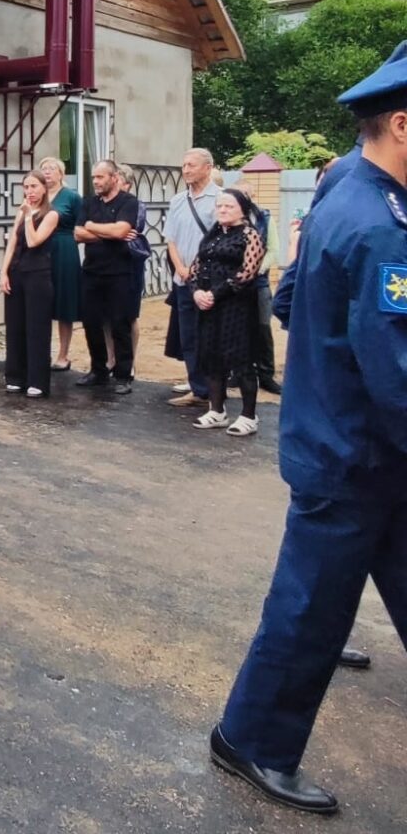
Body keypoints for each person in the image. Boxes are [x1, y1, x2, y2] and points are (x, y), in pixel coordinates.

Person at [209, 43, 407, 815]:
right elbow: (395, 371)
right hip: (355, 456)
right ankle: (250, 740)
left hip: (362, 448)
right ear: (401, 123)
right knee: (308, 611)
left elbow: (296, 304)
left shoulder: (349, 188)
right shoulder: (379, 222)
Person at [184, 189, 265, 436]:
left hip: (237, 306)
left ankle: (249, 415)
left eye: (228, 206)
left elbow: (247, 273)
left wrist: (214, 294)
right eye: (219, 206)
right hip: (208, 306)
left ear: (242, 208)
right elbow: (195, 268)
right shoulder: (213, 235)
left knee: (241, 359)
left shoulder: (251, 235)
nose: (222, 210)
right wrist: (197, 291)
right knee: (211, 356)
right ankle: (216, 410)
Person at [74, 160, 139, 394]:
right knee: (91, 323)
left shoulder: (129, 202)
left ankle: (123, 375)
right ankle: (98, 370)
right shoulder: (89, 202)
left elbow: (122, 230)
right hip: (92, 271)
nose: (95, 182)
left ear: (114, 178)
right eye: (93, 178)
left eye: (100, 177)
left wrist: (92, 226)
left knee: (120, 323)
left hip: (119, 272)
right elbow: (78, 234)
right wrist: (107, 232)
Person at [165, 149, 221, 408]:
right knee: (188, 336)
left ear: (208, 168)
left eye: (191, 165)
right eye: (183, 165)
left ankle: (215, 390)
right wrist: (180, 267)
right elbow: (171, 240)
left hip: (210, 282)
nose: (185, 170)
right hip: (182, 280)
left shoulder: (221, 199)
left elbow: (222, 241)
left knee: (210, 337)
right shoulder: (178, 200)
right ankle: (198, 389)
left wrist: (196, 268)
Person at [0, 171, 57, 397]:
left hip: (38, 274)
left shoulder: (51, 215)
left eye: (34, 186)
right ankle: (15, 375)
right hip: (17, 272)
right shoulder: (21, 211)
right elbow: (13, 241)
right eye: (26, 187)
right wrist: (4, 272)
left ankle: (37, 380)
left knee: (37, 327)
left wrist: (27, 217)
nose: (30, 192)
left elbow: (33, 241)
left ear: (44, 188)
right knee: (15, 326)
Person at [233, 180, 282, 394]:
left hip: (259, 281)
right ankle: (238, 372)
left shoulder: (264, 218)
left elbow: (273, 250)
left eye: (246, 194)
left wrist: (256, 270)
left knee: (262, 327)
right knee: (237, 328)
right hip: (235, 283)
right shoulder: (228, 221)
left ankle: (266, 374)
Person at [38, 157, 81, 371]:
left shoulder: (72, 196)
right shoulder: (38, 194)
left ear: (61, 173)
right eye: (43, 168)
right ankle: (40, 352)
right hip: (40, 250)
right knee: (41, 302)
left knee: (65, 303)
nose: (47, 172)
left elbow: (82, 225)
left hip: (64, 249)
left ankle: (63, 354)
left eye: (51, 168)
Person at [116, 164, 150, 368]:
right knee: (106, 317)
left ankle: (130, 361)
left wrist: (105, 230)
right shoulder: (100, 204)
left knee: (129, 315)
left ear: (127, 185)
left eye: (116, 179)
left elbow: (129, 231)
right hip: (106, 265)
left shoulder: (137, 205)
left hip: (130, 264)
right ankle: (112, 359)